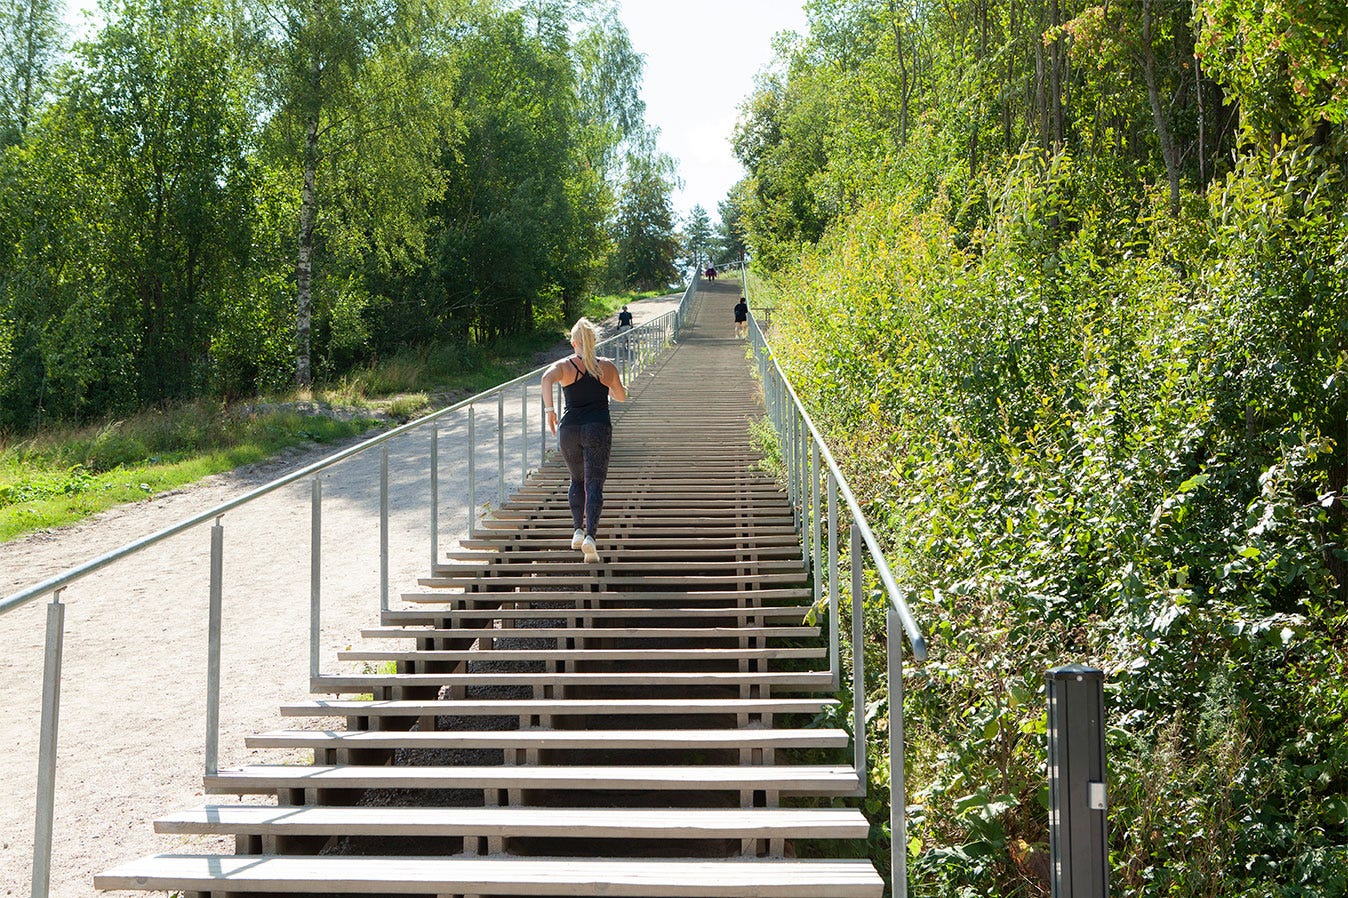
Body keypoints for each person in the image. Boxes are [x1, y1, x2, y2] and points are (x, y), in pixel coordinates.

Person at [541, 319, 628, 563]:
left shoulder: (565, 366)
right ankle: (590, 537)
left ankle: (577, 531)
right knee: (594, 484)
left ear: (574, 342)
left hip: (569, 429)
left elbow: (546, 379)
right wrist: (608, 386)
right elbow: (621, 396)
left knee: (577, 480)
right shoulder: (607, 367)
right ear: (594, 341)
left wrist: (550, 410)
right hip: (598, 428)